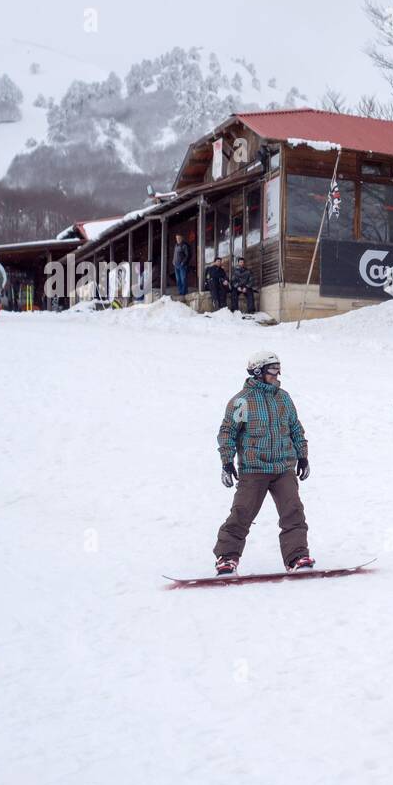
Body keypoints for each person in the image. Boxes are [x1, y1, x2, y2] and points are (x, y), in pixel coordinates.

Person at [213, 351, 313, 575]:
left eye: (279, 367)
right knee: (241, 514)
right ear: (258, 371)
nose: (278, 373)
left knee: (293, 512)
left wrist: (302, 455)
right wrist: (227, 461)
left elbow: (295, 427)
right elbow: (228, 432)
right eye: (273, 368)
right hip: (254, 470)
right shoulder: (242, 401)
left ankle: (297, 558)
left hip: (283, 468)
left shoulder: (283, 397)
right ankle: (226, 559)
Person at [172, 233, 191, 297]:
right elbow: (175, 254)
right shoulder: (176, 245)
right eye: (177, 238)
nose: (178, 239)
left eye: (179, 238)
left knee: (183, 279)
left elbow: (187, 255)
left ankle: (184, 292)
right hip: (176, 265)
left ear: (182, 238)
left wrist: (183, 263)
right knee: (178, 279)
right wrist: (173, 261)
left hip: (182, 265)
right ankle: (180, 291)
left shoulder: (184, 245)